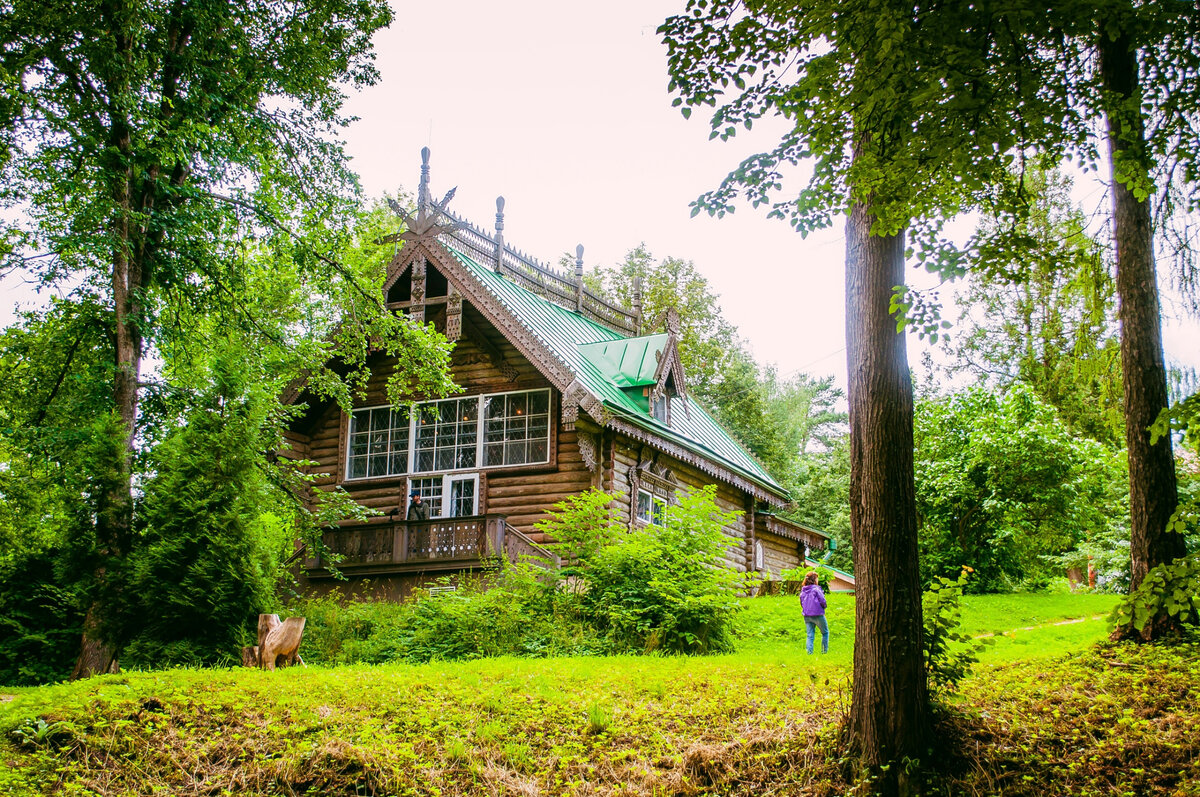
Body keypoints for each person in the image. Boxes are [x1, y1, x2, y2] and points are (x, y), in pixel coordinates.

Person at [800, 570, 829, 654]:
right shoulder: (816, 589)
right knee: (825, 632)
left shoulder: (803, 590)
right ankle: (824, 652)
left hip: (807, 615)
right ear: (815, 580)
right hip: (818, 614)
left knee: (810, 635)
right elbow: (822, 600)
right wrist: (824, 606)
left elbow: (801, 602)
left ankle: (809, 652)